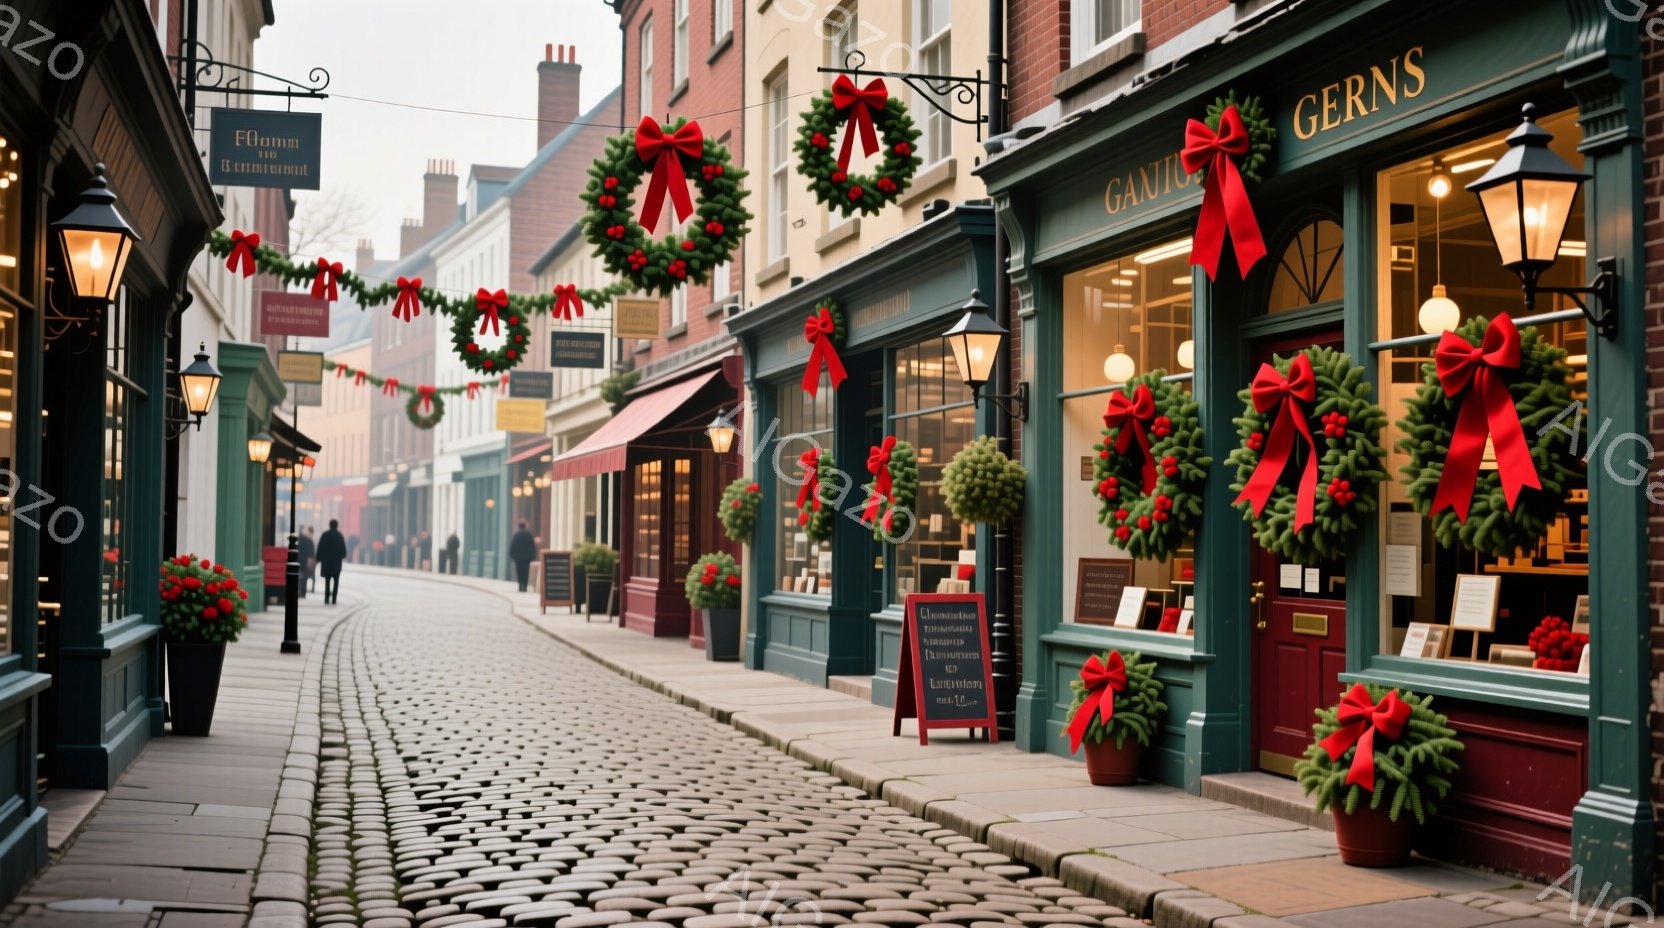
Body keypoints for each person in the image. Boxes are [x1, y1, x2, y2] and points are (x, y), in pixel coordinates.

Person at [317, 519, 347, 604]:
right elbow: (344, 552)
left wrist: (318, 558)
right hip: (336, 564)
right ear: (337, 526)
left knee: (327, 580)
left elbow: (320, 547)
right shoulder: (340, 536)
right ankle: (334, 599)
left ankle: (326, 598)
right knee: (336, 581)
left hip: (326, 563)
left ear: (329, 525)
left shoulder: (325, 535)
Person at [509, 520, 537, 593]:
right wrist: (532, 556)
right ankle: (525, 586)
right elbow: (532, 546)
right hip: (527, 558)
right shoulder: (529, 535)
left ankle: (520, 586)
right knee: (526, 572)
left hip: (518, 558)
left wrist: (513, 556)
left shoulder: (516, 535)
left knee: (519, 572)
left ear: (519, 526)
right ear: (525, 526)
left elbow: (513, 546)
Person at [297, 527, 315, 598]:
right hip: (305, 561)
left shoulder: (298, 540)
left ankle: (299, 591)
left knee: (298, 577)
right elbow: (312, 552)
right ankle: (303, 592)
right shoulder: (308, 540)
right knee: (304, 576)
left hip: (298, 560)